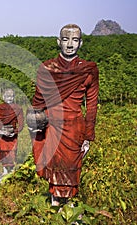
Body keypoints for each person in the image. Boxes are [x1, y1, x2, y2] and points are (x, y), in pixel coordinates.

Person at [28, 24, 99, 206]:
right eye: (66, 39)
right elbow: (38, 101)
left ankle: (69, 209)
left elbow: (91, 105)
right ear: (58, 42)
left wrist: (88, 135)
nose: (70, 44)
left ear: (81, 43)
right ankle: (55, 205)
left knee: (70, 168)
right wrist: (34, 122)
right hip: (52, 126)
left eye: (75, 40)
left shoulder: (89, 70)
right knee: (53, 166)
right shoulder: (47, 68)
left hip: (75, 128)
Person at [0, 89, 24, 176]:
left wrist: (15, 131)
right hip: (2, 134)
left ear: (14, 97)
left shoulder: (18, 108)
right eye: (8, 96)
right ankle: (5, 170)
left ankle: (12, 170)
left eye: (12, 96)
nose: (10, 98)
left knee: (13, 151)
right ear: (3, 97)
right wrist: (0, 130)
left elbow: (21, 123)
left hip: (12, 133)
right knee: (3, 150)